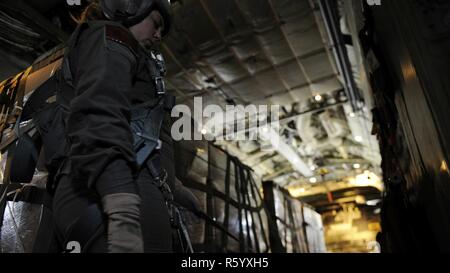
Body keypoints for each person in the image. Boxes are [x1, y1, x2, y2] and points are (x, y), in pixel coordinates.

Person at [52, 0, 178, 253]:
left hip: (123, 185)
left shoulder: (126, 52)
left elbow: (144, 132)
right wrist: (123, 209)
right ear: (131, 7)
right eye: (156, 23)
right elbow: (99, 115)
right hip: (110, 191)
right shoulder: (112, 38)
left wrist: (175, 188)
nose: (158, 36)